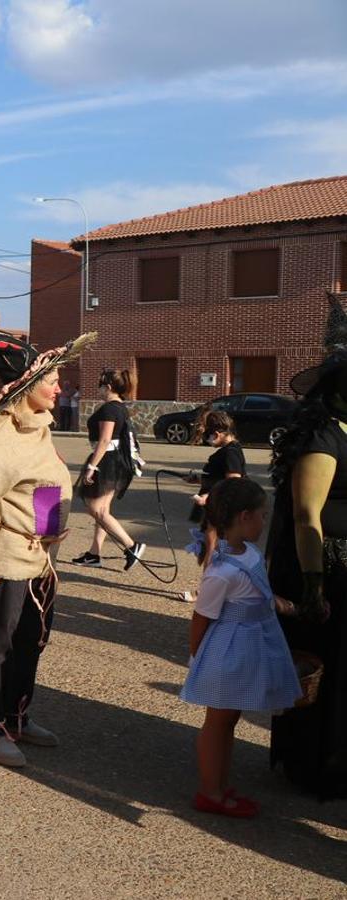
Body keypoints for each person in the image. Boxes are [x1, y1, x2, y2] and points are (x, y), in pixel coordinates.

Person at [0, 315, 93, 768]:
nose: (58, 387)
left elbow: (45, 485)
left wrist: (51, 531)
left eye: (56, 378)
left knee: (30, 642)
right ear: (25, 386)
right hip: (4, 561)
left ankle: (16, 716)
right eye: (50, 379)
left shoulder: (39, 427)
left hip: (39, 561)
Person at [179, 478, 300, 817]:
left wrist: (276, 603)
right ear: (245, 517)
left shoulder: (249, 552)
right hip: (228, 652)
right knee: (217, 722)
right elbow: (201, 617)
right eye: (263, 514)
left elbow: (256, 590)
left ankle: (218, 784)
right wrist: (197, 659)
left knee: (228, 719)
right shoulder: (220, 572)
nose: (265, 521)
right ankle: (210, 792)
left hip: (250, 644)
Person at [267, 298, 347, 798]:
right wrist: (315, 586)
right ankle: (313, 766)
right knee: (321, 669)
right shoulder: (322, 437)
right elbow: (305, 515)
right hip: (324, 570)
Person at [73, 368, 146, 570]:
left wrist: (91, 466)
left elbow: (105, 440)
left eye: (100, 385)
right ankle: (94, 554)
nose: (98, 389)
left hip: (107, 461)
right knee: (103, 509)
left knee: (96, 508)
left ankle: (132, 545)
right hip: (114, 461)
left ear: (108, 387)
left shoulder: (110, 409)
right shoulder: (119, 407)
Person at [179, 410, 245, 602]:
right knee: (210, 548)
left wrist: (208, 497)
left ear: (216, 433)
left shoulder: (231, 452)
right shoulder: (229, 450)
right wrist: (198, 478)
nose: (207, 440)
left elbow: (233, 481)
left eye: (208, 435)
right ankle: (217, 590)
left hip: (221, 508)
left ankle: (206, 593)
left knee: (212, 548)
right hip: (217, 505)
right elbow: (219, 477)